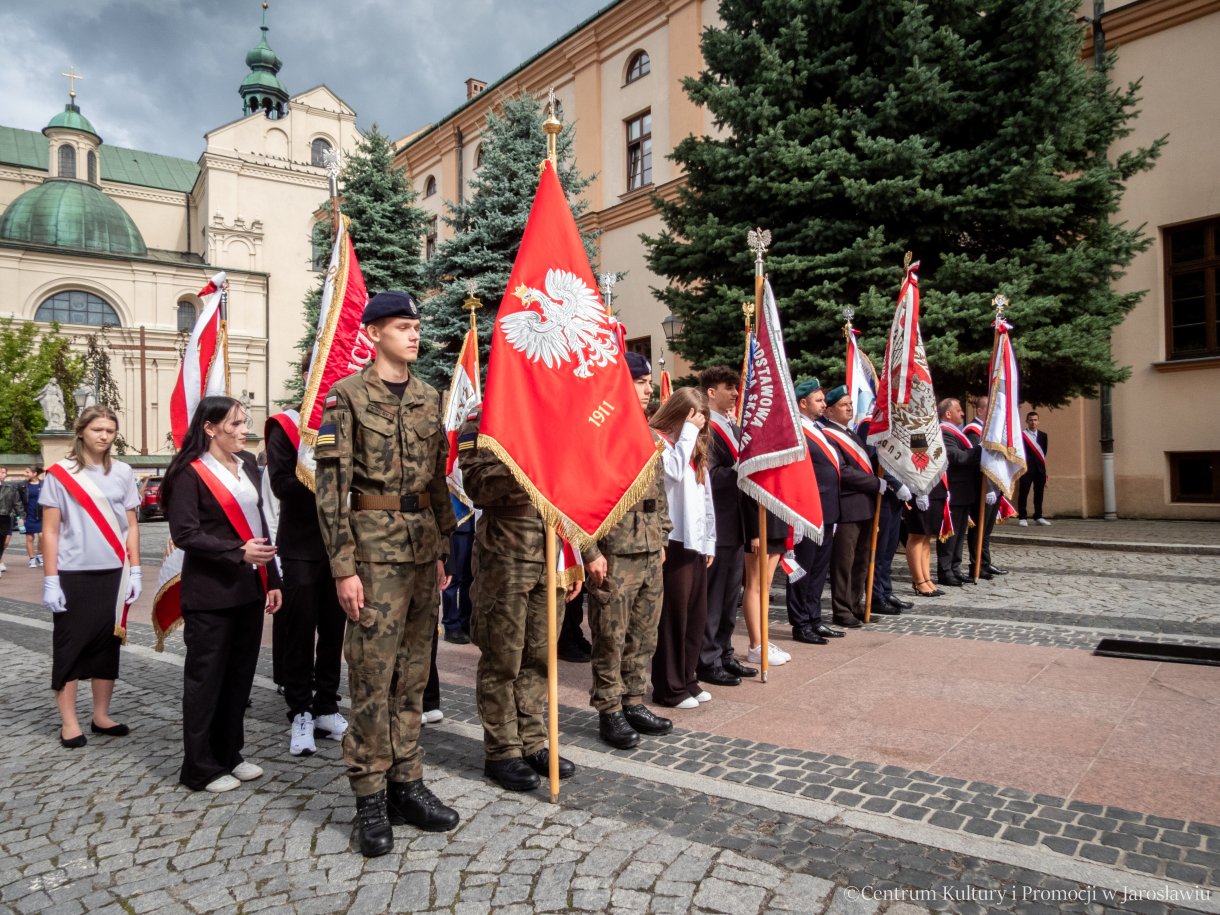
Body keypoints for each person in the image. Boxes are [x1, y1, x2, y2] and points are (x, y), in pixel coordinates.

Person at [314, 290, 460, 856]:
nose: (414, 335)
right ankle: (369, 794)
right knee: (372, 676)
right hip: (372, 556)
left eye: (416, 327)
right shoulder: (347, 397)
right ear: (374, 333)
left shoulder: (429, 396)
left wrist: (445, 545)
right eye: (402, 326)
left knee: (414, 674)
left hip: (424, 552)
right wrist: (343, 567)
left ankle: (407, 781)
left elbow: (438, 481)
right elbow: (331, 490)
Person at [161, 396, 283, 794]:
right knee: (206, 680)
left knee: (238, 679)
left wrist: (273, 579)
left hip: (248, 587)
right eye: (234, 424)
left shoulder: (248, 463)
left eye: (244, 422)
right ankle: (199, 766)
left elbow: (260, 521)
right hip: (210, 592)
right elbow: (186, 534)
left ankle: (231, 754)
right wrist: (236, 552)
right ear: (210, 428)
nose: (243, 430)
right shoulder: (189, 473)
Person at [458, 413, 582, 792]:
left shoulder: (555, 417)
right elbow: (476, 485)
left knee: (540, 657)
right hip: (505, 554)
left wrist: (579, 552)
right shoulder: (481, 420)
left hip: (553, 549)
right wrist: (530, 458)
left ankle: (532, 742)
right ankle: (502, 750)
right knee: (503, 658)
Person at [39, 406, 141, 749]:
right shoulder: (59, 473)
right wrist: (50, 578)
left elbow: (130, 524)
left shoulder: (124, 472)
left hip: (114, 571)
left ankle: (101, 716)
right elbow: (50, 531)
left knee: (106, 644)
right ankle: (69, 722)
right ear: (81, 430)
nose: (104, 436)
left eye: (110, 430)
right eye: (98, 429)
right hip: (73, 574)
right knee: (70, 647)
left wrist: (136, 568)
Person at [587, 351, 674, 749]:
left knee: (644, 633)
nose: (648, 389)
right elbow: (581, 501)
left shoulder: (649, 433)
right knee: (611, 635)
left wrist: (662, 538)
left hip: (648, 548)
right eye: (641, 382)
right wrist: (590, 552)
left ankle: (634, 700)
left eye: (648, 383)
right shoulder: (598, 432)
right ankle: (609, 709)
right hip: (614, 551)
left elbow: (659, 496)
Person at [265, 390, 348, 759]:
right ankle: (300, 710)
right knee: (299, 631)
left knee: (334, 631)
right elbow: (282, 485)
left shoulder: (347, 420)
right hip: (300, 545)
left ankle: (327, 706)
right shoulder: (286, 425)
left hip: (341, 544)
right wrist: (330, 483)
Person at [649, 387, 716, 709]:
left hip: (695, 541)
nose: (699, 426)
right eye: (693, 418)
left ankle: (688, 678)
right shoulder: (657, 441)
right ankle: (669, 687)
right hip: (672, 541)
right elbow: (670, 475)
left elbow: (706, 498)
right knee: (673, 618)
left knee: (694, 616)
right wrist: (687, 432)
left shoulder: (693, 449)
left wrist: (710, 539)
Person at [695, 366, 757, 688]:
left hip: (735, 525)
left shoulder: (731, 427)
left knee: (730, 594)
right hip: (716, 523)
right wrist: (744, 471)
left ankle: (725, 652)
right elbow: (709, 477)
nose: (735, 394)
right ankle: (707, 659)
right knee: (714, 595)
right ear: (710, 392)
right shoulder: (705, 428)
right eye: (729, 388)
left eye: (736, 388)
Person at [818, 386, 885, 628]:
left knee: (861, 559)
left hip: (865, 505)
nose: (849, 407)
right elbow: (843, 472)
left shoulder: (852, 434)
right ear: (830, 410)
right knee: (844, 562)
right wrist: (876, 483)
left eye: (850, 404)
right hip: (846, 506)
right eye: (843, 404)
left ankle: (856, 603)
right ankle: (842, 610)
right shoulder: (827, 434)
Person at [787, 379, 846, 644]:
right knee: (803, 570)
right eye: (818, 400)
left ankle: (814, 618)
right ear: (802, 403)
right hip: (808, 511)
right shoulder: (796, 430)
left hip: (827, 510)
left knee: (819, 570)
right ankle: (801, 623)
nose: (824, 404)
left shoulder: (816, 428)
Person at [936, 398, 981, 586]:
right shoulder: (945, 432)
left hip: (964, 491)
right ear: (948, 414)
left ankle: (955, 568)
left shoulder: (956, 432)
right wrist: (979, 450)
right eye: (959, 410)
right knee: (950, 535)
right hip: (953, 490)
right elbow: (956, 457)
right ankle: (945, 571)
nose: (962, 413)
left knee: (960, 533)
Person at [965, 396, 1007, 580]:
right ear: (980, 411)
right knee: (978, 529)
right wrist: (989, 487)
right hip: (982, 488)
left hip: (994, 487)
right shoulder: (973, 431)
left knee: (987, 531)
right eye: (990, 409)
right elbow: (979, 462)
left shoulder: (990, 431)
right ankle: (977, 565)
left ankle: (985, 563)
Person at [905, 477, 947, 598]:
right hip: (919, 488)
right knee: (917, 535)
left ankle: (926, 578)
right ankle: (918, 580)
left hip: (936, 488)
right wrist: (919, 491)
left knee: (926, 536)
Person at [441, 498, 475, 643]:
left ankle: (466, 621)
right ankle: (451, 625)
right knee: (454, 575)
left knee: (469, 576)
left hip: (475, 522)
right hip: (459, 523)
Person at [1019, 410, 1050, 526]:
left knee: (1039, 493)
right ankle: (1022, 517)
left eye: (1035, 420)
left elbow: (1043, 453)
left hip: (1040, 470)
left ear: (1038, 421)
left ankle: (1038, 516)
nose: (1033, 422)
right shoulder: (1021, 436)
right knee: (1024, 493)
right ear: (1027, 421)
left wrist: (1042, 469)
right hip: (1026, 469)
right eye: (1031, 420)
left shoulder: (1043, 436)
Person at [0, 467, 20, 577]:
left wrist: (20, 516)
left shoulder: (10, 488)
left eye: (3, 472)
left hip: (6, 517)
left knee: (5, 542)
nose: (1, 474)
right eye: (0, 472)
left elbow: (17, 502)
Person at [25, 465, 45, 568]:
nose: (25, 474)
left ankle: (39, 555)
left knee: (42, 536)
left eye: (27, 472)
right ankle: (32, 559)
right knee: (29, 537)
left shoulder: (44, 484)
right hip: (28, 514)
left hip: (41, 514)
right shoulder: (23, 486)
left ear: (35, 474)